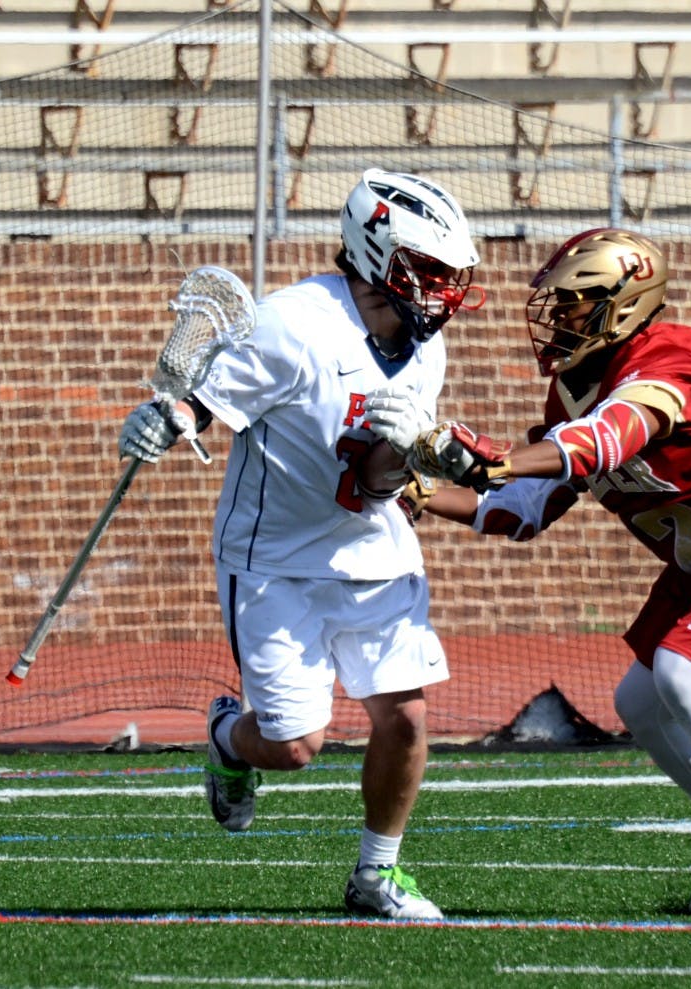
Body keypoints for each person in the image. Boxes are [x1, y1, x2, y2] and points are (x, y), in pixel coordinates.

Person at [371, 227, 691, 916]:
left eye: (575, 305)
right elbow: (523, 510)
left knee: (682, 667)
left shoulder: (667, 359)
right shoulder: (575, 392)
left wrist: (490, 454)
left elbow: (607, 438)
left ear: (623, 305)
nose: (557, 319)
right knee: (639, 701)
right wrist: (427, 491)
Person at [117, 168, 483, 920]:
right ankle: (227, 738)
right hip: (274, 560)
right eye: (432, 272)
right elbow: (207, 401)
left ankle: (376, 875)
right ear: (380, 255)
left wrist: (413, 453)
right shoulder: (291, 322)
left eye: (453, 276)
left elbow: (375, 483)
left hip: (373, 550)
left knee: (407, 716)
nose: (445, 291)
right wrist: (170, 415)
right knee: (293, 745)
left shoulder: (424, 350)